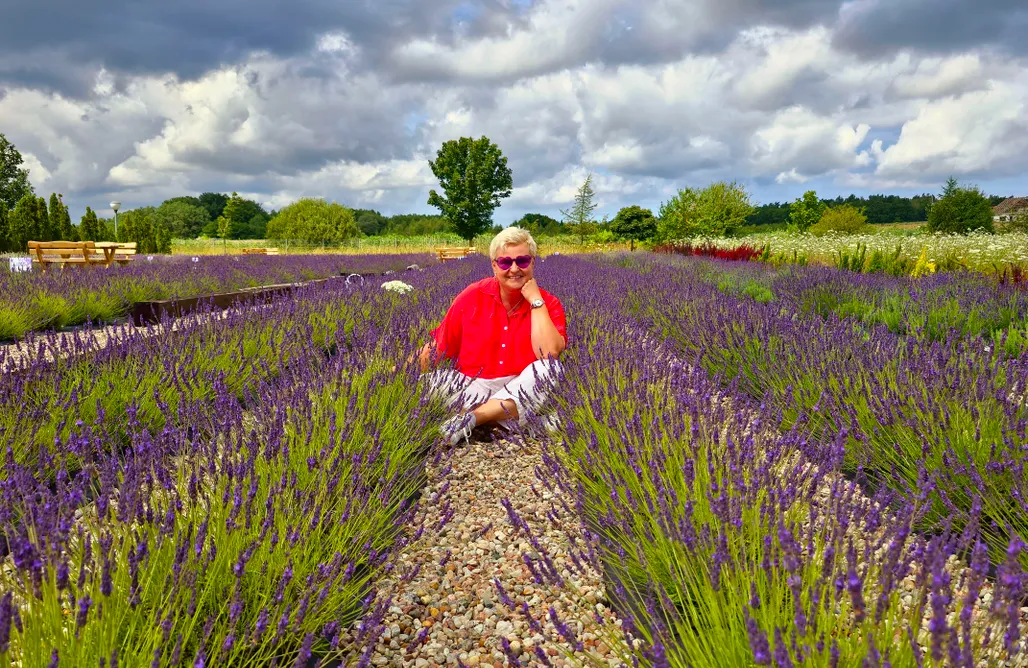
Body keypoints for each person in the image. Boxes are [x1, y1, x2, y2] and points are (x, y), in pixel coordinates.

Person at [417, 227, 567, 445]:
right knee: (421, 385)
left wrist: (535, 301)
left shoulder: (548, 303)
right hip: (472, 386)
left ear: (533, 262)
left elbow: (549, 354)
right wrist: (395, 375)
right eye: (505, 262)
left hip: (519, 387)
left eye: (522, 261)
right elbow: (439, 347)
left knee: (550, 369)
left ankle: (473, 418)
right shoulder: (472, 296)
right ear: (494, 266)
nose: (514, 269)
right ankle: (518, 423)